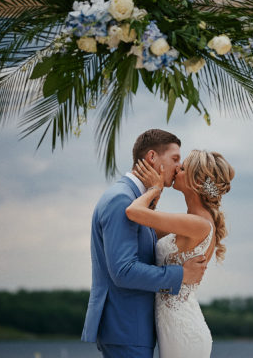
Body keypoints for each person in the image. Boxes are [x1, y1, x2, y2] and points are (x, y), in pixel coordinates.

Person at [81, 129, 207, 358]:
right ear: (151, 158)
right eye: (175, 159)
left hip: (131, 328)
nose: (179, 167)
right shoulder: (122, 200)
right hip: (127, 326)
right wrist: (181, 274)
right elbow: (123, 271)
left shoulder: (133, 200)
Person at [126, 149, 235, 358]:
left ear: (196, 181)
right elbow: (147, 230)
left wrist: (155, 189)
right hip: (173, 327)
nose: (177, 169)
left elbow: (133, 212)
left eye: (183, 167)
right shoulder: (191, 220)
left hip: (183, 331)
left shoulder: (197, 223)